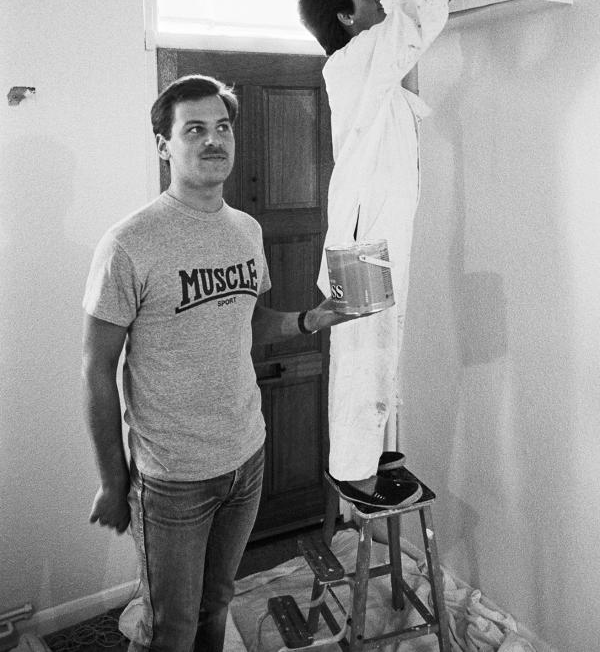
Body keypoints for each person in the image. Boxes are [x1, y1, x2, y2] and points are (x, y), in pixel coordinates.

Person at [82, 74, 420, 652]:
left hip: (246, 459)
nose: (214, 140)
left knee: (218, 604)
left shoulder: (246, 230)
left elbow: (250, 320)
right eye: (194, 129)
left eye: (222, 127)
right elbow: (97, 369)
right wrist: (114, 481)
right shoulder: (129, 243)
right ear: (164, 145)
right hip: (173, 477)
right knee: (169, 627)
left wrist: (312, 319)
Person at [297, 0, 465, 493]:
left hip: (373, 234)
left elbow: (407, 57)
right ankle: (354, 475)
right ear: (348, 18)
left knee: (378, 346)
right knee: (362, 357)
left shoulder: (369, 67)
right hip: (365, 241)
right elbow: (419, 14)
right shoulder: (355, 59)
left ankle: (369, 457)